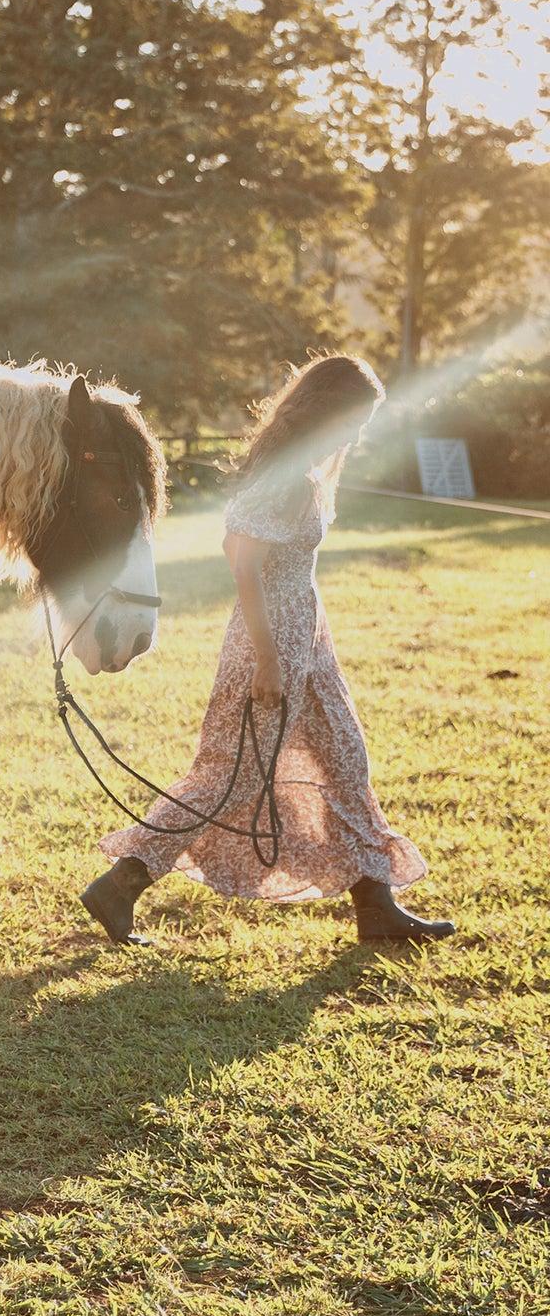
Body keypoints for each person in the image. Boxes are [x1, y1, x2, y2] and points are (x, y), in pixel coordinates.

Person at [80, 353, 456, 947]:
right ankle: (121, 884)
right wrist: (268, 658)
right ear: (327, 410)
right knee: (228, 777)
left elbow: (249, 550)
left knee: (346, 765)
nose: (357, 435)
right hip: (271, 645)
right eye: (355, 421)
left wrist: (301, 647)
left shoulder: (302, 469)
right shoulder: (286, 475)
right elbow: (242, 561)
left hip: (308, 645)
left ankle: (377, 907)